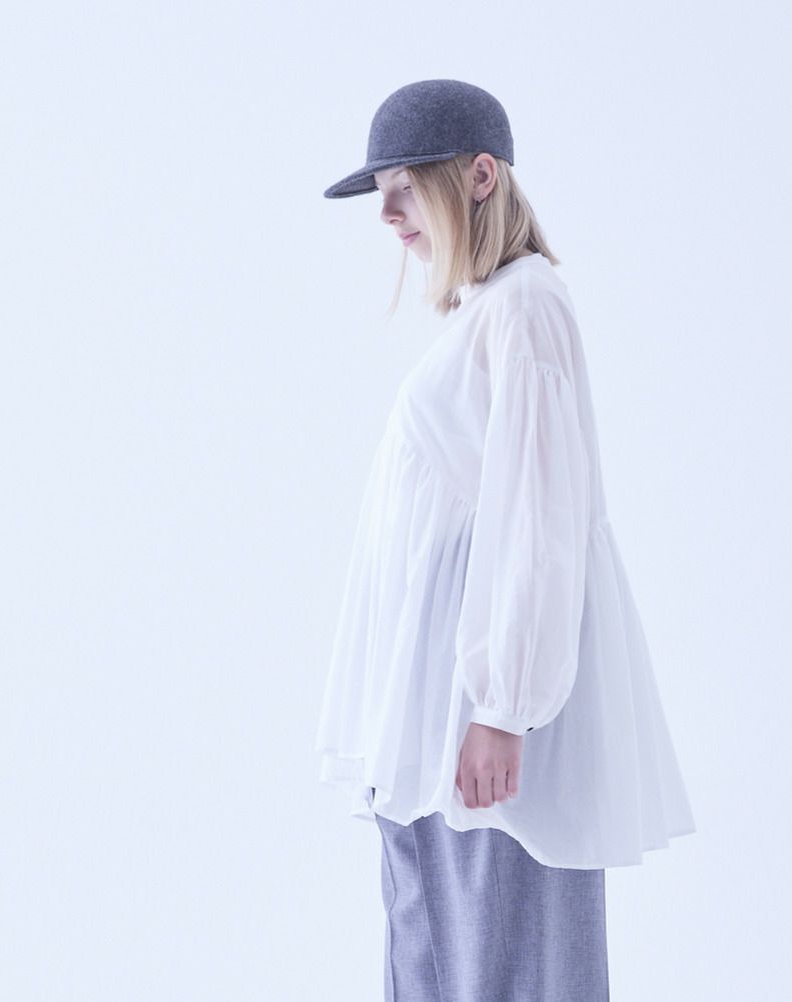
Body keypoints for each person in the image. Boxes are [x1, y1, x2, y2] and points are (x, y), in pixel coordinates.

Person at [315, 79, 696, 1002]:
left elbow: (540, 519)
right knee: (445, 957)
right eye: (381, 194)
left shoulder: (527, 306)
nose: (387, 215)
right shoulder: (490, 311)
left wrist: (502, 707)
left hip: (474, 717)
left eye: (405, 187)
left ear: (480, 177)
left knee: (504, 959)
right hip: (434, 714)